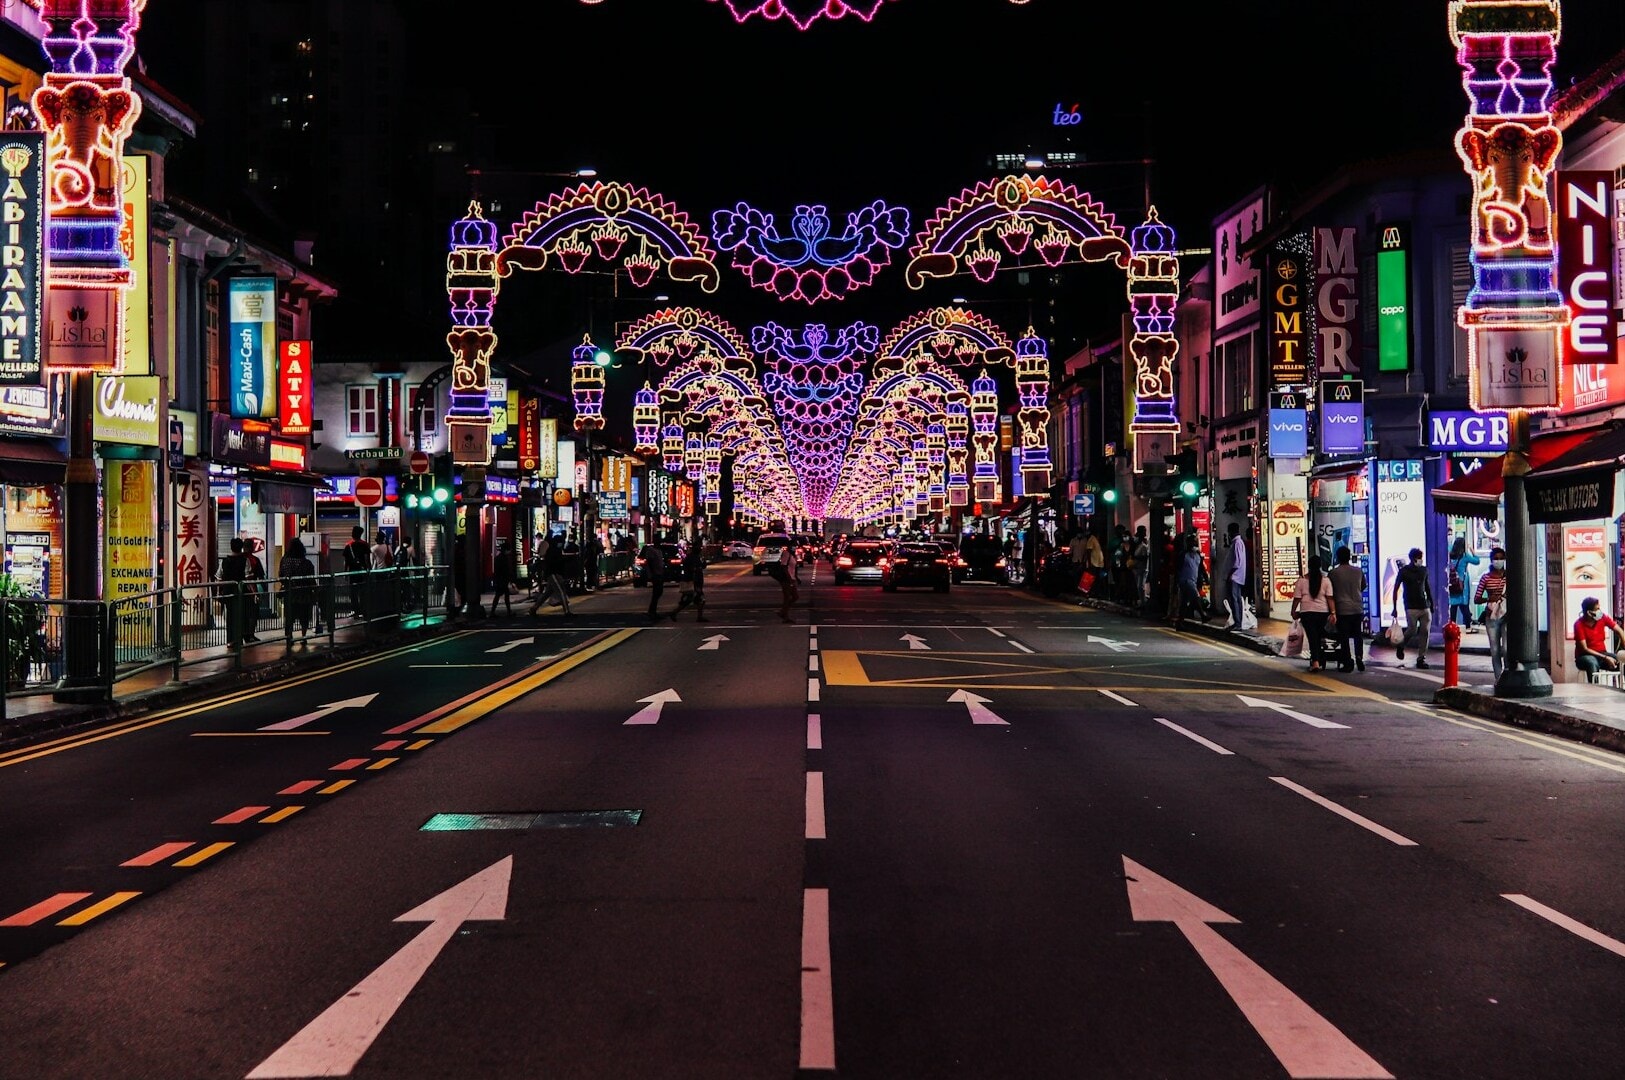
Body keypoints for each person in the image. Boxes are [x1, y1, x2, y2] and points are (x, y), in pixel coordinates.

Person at [1291, 555, 1336, 672]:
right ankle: (1317, 659)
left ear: (1309, 566)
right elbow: (1330, 598)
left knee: (1312, 637)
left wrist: (1293, 611)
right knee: (1317, 636)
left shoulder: (1301, 581)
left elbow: (1297, 598)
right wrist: (1333, 613)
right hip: (1322, 613)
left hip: (1307, 613)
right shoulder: (1326, 581)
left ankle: (1315, 661)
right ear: (1320, 565)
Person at [1391, 547, 1434, 668]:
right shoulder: (1404, 571)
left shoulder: (1424, 570)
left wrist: (1431, 602)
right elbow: (1396, 588)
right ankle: (1401, 645)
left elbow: (1427, 587)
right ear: (1413, 559)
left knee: (1425, 632)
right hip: (1410, 606)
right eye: (1419, 558)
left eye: (1421, 558)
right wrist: (1394, 607)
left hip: (1424, 605)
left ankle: (1421, 658)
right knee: (1412, 629)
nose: (1421, 560)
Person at [1328, 546, 1367, 672]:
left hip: (1342, 609)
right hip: (1357, 607)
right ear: (1349, 556)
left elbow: (1330, 591)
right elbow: (1363, 586)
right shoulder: (1358, 571)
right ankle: (1359, 657)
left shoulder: (1333, 573)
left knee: (1344, 636)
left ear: (1338, 557)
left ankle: (1348, 661)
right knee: (1357, 635)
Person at [1474, 547, 1508, 680]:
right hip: (1491, 616)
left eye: (1501, 558)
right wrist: (1489, 599)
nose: (1498, 561)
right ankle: (1498, 678)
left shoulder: (1508, 576)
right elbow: (1477, 598)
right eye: (1496, 558)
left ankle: (1507, 675)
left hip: (1506, 615)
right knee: (1495, 650)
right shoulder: (1485, 578)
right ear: (1491, 560)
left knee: (1506, 649)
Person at [1572, 596, 1625, 678]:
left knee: (1621, 662)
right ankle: (1595, 689)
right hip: (1584, 657)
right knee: (1592, 662)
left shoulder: (1603, 618)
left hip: (1602, 654)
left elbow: (1620, 631)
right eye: (1597, 609)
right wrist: (1606, 657)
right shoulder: (1578, 625)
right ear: (1589, 613)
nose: (1599, 611)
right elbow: (1585, 649)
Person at [278, 536, 317, 643]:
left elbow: (281, 576)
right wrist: (316, 591)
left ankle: (289, 637)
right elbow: (311, 579)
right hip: (304, 594)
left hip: (289, 593)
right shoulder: (307, 563)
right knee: (304, 616)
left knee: (290, 617)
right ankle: (303, 636)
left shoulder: (284, 561)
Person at [217, 538, 252, 647]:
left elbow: (218, 578)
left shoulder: (224, 561)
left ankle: (230, 640)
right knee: (242, 615)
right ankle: (240, 638)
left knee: (230, 616)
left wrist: (220, 591)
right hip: (241, 593)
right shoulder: (245, 560)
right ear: (241, 547)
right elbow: (248, 578)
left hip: (228, 593)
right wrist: (253, 592)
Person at [1448, 536, 1483, 630]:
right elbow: (1477, 561)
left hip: (1452, 583)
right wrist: (1472, 550)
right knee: (1464, 605)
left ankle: (1452, 627)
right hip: (1462, 583)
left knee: (1453, 607)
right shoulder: (1465, 556)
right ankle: (1468, 626)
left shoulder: (1450, 555)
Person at [1173, 534, 1204, 631]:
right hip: (1185, 580)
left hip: (1193, 580)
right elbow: (1177, 569)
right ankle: (1203, 615)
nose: (1194, 543)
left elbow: (1200, 568)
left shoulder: (1198, 555)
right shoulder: (1183, 554)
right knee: (1195, 596)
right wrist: (1176, 582)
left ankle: (1179, 622)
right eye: (1192, 541)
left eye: (1195, 541)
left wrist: (1204, 579)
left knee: (1184, 602)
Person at [671, 543, 708, 622]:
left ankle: (675, 612)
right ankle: (675, 612)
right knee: (697, 599)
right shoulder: (692, 558)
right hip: (693, 582)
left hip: (694, 582)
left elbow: (701, 566)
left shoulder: (695, 557)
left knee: (691, 600)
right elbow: (693, 569)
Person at [542, 531, 573, 617]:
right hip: (553, 573)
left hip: (554, 573)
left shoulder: (555, 549)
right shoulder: (553, 550)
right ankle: (567, 611)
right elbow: (554, 562)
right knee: (561, 591)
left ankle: (533, 608)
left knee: (547, 593)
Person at [342, 525, 369, 618]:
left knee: (353, 592)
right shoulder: (365, 544)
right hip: (363, 572)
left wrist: (345, 572)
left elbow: (346, 561)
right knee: (363, 592)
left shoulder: (348, 545)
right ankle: (364, 610)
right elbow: (367, 559)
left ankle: (356, 611)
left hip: (352, 572)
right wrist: (368, 570)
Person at [1225, 522, 1248, 630]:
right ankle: (1237, 622)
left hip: (1235, 576)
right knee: (1236, 599)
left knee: (1235, 600)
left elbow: (1237, 562)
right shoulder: (1237, 542)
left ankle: (1238, 623)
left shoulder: (1237, 543)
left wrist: (1230, 574)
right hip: (1237, 576)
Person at [639, 537, 667, 622]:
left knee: (659, 592)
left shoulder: (659, 551)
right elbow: (649, 562)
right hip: (655, 574)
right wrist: (651, 574)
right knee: (656, 592)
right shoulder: (651, 551)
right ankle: (652, 611)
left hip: (659, 573)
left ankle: (653, 611)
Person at [771, 537, 798, 622]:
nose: (795, 547)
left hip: (791, 578)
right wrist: (789, 578)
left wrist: (796, 578)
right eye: (793, 545)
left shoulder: (792, 554)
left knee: (795, 597)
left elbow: (792, 568)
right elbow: (784, 567)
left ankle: (783, 612)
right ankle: (785, 615)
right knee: (787, 597)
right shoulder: (786, 554)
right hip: (786, 579)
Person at [492, 540, 517, 616]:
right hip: (503, 579)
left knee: (500, 595)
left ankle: (495, 612)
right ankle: (506, 611)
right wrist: (510, 579)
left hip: (499, 579)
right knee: (502, 596)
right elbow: (507, 570)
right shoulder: (504, 558)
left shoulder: (498, 558)